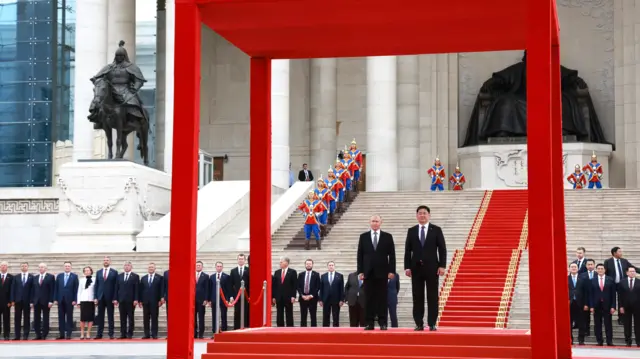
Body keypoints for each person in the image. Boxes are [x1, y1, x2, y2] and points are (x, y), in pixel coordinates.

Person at [404, 205, 447, 331]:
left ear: (429, 215)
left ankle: (432, 323)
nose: (422, 215)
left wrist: (442, 266)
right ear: (417, 215)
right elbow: (408, 251)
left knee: (432, 296)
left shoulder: (436, 230)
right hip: (416, 269)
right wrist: (407, 267)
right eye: (420, 213)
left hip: (432, 268)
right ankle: (419, 323)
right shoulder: (411, 231)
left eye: (424, 213)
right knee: (417, 296)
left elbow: (442, 249)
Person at [356, 215, 396, 330]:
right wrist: (360, 271)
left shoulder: (387, 237)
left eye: (377, 221)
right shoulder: (363, 237)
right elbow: (360, 255)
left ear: (381, 222)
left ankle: (383, 322)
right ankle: (369, 322)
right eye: (373, 221)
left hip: (383, 272)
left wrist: (391, 270)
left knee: (382, 298)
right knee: (369, 298)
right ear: (370, 222)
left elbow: (392, 255)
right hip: (368, 272)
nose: (375, 223)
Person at [589, 263, 616, 346]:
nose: (600, 270)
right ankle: (599, 341)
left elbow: (613, 295)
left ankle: (609, 341)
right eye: (599, 269)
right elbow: (590, 294)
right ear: (596, 270)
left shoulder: (610, 280)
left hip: (607, 305)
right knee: (597, 324)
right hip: (596, 305)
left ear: (605, 270)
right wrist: (591, 306)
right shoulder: (592, 280)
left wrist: (613, 306)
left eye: (602, 269)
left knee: (608, 323)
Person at [53, 261, 79, 340]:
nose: (67, 267)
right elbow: (56, 288)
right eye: (66, 266)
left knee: (69, 317)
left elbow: (76, 289)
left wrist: (75, 299)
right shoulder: (59, 276)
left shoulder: (74, 276)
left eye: (68, 266)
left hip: (70, 300)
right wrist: (55, 299)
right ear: (63, 267)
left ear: (71, 267)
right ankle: (61, 334)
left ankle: (68, 334)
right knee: (61, 317)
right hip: (60, 300)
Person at [94, 256, 118, 339]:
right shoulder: (98, 272)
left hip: (110, 297)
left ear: (110, 262)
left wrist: (115, 298)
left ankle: (111, 334)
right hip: (100, 297)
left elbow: (116, 286)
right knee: (100, 316)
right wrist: (95, 297)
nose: (106, 261)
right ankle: (99, 334)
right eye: (104, 260)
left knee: (110, 316)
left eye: (107, 260)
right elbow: (96, 285)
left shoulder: (114, 272)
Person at [114, 261, 139, 339]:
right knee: (122, 318)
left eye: (128, 265)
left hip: (131, 301)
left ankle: (130, 333)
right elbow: (116, 288)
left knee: (131, 317)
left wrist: (136, 299)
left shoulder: (135, 276)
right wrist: (115, 298)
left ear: (131, 267)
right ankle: (123, 334)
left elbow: (137, 289)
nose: (126, 267)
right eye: (125, 265)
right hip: (121, 300)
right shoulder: (119, 276)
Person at [139, 263, 164, 339]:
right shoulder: (143, 278)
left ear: (155, 268)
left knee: (154, 318)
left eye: (152, 267)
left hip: (155, 301)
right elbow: (141, 290)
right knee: (146, 318)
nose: (151, 268)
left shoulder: (159, 278)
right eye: (149, 267)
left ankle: (154, 334)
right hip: (145, 301)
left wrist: (160, 299)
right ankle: (146, 334)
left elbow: (161, 289)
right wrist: (140, 300)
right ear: (148, 268)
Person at [31, 263, 55, 340]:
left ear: (46, 268)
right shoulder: (35, 277)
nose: (41, 268)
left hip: (46, 301)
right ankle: (38, 334)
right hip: (36, 301)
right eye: (40, 267)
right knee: (36, 318)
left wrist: (51, 301)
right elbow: (32, 290)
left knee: (45, 318)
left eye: (43, 267)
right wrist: (32, 301)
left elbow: (52, 290)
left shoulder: (51, 277)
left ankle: (44, 334)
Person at [11, 262, 34, 340]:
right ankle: (17, 335)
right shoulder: (16, 277)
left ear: (28, 267)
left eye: (25, 266)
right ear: (20, 267)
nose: (24, 267)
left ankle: (25, 335)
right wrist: (12, 300)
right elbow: (13, 289)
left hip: (27, 301)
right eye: (22, 266)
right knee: (17, 318)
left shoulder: (32, 277)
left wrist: (32, 301)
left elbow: (33, 290)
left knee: (26, 318)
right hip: (18, 301)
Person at [272, 257, 297, 327]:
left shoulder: (292, 272)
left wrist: (293, 296)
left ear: (286, 263)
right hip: (279, 297)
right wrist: (273, 296)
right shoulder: (277, 272)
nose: (280, 263)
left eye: (281, 262)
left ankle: (290, 328)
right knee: (279, 313)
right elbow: (274, 285)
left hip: (288, 297)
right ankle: (279, 327)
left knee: (289, 313)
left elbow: (294, 285)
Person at [618, 266, 640, 347]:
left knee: (638, 325)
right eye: (631, 271)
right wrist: (621, 306)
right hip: (626, 307)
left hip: (638, 307)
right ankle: (628, 341)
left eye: (634, 271)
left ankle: (638, 341)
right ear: (627, 273)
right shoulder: (622, 282)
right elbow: (619, 296)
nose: (632, 273)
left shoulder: (639, 281)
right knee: (627, 325)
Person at [319, 261, 344, 327]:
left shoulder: (340, 276)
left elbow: (342, 289)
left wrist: (342, 299)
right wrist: (320, 299)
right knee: (325, 316)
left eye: (332, 265)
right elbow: (321, 289)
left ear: (334, 266)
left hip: (336, 299)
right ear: (327, 266)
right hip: (326, 299)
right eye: (329, 265)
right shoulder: (323, 276)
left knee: (336, 316)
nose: (331, 266)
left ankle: (336, 331)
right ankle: (325, 330)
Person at [209, 261, 231, 335]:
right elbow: (210, 289)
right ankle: (215, 331)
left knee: (223, 315)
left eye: (220, 266)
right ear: (215, 267)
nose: (219, 268)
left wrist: (227, 299)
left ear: (222, 267)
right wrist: (209, 300)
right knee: (214, 315)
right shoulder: (211, 277)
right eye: (218, 266)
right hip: (214, 299)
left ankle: (224, 331)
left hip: (223, 299)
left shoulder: (227, 277)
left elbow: (228, 289)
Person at [297, 259, 320, 327]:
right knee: (303, 316)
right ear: (305, 265)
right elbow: (298, 286)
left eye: (310, 264)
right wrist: (302, 295)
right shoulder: (301, 274)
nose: (308, 265)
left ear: (312, 265)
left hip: (312, 298)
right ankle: (303, 331)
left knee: (313, 316)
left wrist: (311, 295)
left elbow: (318, 286)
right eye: (307, 264)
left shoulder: (316, 274)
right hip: (303, 298)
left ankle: (314, 331)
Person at [230, 254, 250, 329]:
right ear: (237, 260)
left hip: (246, 296)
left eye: (242, 259)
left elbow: (250, 283)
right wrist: (231, 296)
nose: (240, 260)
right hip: (236, 296)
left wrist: (250, 295)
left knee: (246, 312)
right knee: (237, 312)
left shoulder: (248, 270)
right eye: (239, 259)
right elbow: (231, 284)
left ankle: (245, 327)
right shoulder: (233, 271)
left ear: (244, 260)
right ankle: (236, 328)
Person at [77, 266, 96, 340]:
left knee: (90, 318)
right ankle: (82, 333)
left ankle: (88, 333)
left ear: (91, 271)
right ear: (84, 272)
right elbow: (79, 291)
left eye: (88, 270)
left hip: (91, 300)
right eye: (85, 271)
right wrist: (78, 302)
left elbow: (95, 290)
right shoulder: (81, 280)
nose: (87, 272)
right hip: (83, 300)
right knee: (83, 318)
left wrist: (95, 299)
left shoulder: (94, 279)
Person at [194, 261, 210, 339]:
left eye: (199, 265)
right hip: (192, 300)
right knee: (193, 318)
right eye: (197, 265)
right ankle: (194, 333)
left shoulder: (206, 276)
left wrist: (206, 299)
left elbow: (207, 288)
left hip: (201, 300)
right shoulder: (191, 275)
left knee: (201, 318)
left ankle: (201, 334)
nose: (198, 266)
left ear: (202, 267)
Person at [0, 262, 12, 340]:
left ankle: (6, 334)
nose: (3, 267)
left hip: (7, 302)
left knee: (6, 318)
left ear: (7, 267)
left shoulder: (11, 277)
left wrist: (10, 301)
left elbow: (12, 290)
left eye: (4, 266)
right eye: (2, 266)